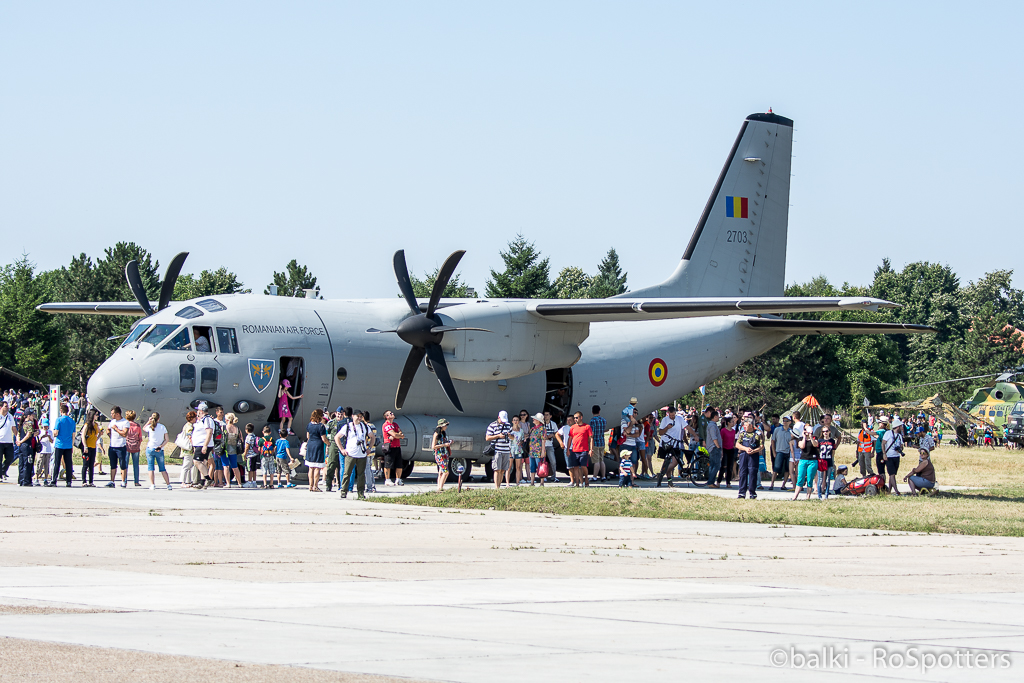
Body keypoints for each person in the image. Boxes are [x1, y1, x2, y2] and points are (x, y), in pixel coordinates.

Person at [338, 411, 372, 499]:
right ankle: (344, 491)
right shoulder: (347, 426)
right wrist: (342, 449)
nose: (359, 418)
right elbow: (337, 437)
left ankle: (360, 492)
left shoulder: (364, 426)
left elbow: (373, 437)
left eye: (361, 416)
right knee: (347, 473)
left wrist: (369, 448)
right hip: (350, 454)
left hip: (362, 454)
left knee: (361, 474)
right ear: (353, 416)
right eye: (358, 416)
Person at [735, 417, 764, 500]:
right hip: (744, 455)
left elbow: (761, 446)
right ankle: (741, 493)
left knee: (752, 474)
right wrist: (745, 449)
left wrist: (754, 451)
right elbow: (737, 444)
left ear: (751, 425)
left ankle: (752, 493)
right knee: (743, 474)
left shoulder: (757, 434)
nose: (745, 427)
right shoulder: (742, 433)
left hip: (753, 456)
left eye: (746, 425)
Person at [143, 412, 172, 490]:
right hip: (159, 449)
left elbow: (144, 428)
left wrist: (148, 421)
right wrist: (161, 446)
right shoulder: (162, 427)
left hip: (150, 448)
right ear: (159, 418)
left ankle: (152, 484)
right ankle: (168, 484)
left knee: (150, 467)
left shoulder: (150, 427)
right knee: (162, 468)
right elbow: (167, 439)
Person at [656, 406, 684, 487]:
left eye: (673, 415)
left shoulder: (679, 419)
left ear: (675, 413)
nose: (671, 417)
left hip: (676, 444)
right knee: (667, 462)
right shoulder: (665, 420)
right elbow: (660, 432)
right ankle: (669, 480)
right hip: (666, 443)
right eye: (670, 415)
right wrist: (667, 427)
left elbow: (686, 427)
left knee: (674, 462)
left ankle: (661, 474)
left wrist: (694, 434)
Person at [190, 403, 216, 489]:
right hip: (199, 444)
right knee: (203, 462)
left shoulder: (207, 420)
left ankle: (208, 478)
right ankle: (202, 482)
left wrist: (205, 445)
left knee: (196, 461)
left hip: (203, 444)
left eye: (198, 410)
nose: (197, 412)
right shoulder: (202, 419)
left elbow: (209, 432)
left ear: (201, 411)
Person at [51, 403, 76, 488]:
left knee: (57, 463)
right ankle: (68, 481)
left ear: (61, 411)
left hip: (59, 444)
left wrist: (54, 433)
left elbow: (56, 432)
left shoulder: (59, 420)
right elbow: (73, 435)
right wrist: (72, 445)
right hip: (68, 445)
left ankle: (54, 481)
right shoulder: (72, 421)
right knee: (68, 463)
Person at [486, 411, 512, 489]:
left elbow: (513, 438)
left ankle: (500, 486)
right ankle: (497, 487)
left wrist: (510, 436)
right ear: (498, 417)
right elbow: (487, 438)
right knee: (497, 469)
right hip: (497, 450)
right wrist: (498, 436)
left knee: (503, 470)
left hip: (506, 450)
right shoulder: (492, 425)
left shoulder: (508, 425)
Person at [568, 411, 594, 488]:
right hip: (574, 450)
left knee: (583, 466)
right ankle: (577, 483)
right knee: (575, 467)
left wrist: (591, 449)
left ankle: (586, 478)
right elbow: (570, 438)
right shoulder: (572, 427)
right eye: (574, 418)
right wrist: (567, 449)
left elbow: (591, 438)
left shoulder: (587, 427)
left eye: (577, 418)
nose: (575, 419)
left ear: (581, 417)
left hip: (584, 450)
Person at [792, 425, 818, 500]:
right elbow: (802, 446)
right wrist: (804, 437)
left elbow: (815, 444)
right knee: (800, 478)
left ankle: (808, 496)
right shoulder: (800, 438)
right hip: (803, 460)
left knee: (810, 479)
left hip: (812, 461)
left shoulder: (814, 438)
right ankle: (795, 496)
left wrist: (810, 437)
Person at [305, 409, 328, 492]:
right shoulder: (321, 426)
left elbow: (308, 436)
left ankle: (310, 486)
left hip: (310, 445)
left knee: (311, 467)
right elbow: (323, 438)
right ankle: (315, 485)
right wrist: (328, 443)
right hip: (318, 446)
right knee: (317, 467)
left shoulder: (309, 425)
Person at [324, 408, 347, 492]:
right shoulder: (331, 423)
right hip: (333, 444)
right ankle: (328, 484)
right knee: (331, 464)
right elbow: (327, 433)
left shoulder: (346, 423)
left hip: (343, 444)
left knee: (342, 466)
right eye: (338, 414)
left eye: (341, 414)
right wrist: (328, 445)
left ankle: (342, 485)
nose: (339, 415)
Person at [106, 406, 129, 488]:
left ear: (117, 414)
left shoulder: (125, 422)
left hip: (121, 446)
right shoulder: (112, 421)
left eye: (113, 414)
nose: (111, 415)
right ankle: (112, 481)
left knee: (122, 464)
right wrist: (110, 435)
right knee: (113, 464)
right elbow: (108, 429)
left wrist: (116, 429)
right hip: (112, 446)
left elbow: (124, 434)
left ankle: (123, 481)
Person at [79, 409, 103, 487]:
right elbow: (83, 436)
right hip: (87, 446)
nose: (97, 416)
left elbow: (99, 433)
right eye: (96, 415)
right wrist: (85, 446)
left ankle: (91, 481)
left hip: (93, 446)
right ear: (93, 415)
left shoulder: (96, 425)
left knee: (91, 464)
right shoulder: (87, 425)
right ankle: (84, 481)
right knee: (85, 464)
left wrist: (98, 437)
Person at [813, 422, 837, 500]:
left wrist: (832, 461)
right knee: (820, 479)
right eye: (823, 431)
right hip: (821, 461)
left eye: (826, 431)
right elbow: (817, 449)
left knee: (827, 479)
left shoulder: (832, 441)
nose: (825, 433)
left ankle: (826, 495)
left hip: (829, 461)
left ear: (829, 431)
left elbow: (833, 452)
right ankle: (819, 495)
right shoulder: (820, 441)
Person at [882, 417, 905, 495]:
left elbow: (902, 445)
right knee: (892, 474)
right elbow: (883, 443)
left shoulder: (899, 436)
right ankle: (896, 491)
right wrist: (884, 453)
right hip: (889, 456)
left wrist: (900, 448)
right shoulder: (888, 433)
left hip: (896, 456)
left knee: (892, 474)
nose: (902, 428)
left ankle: (889, 491)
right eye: (901, 426)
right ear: (897, 427)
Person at [382, 410, 405, 486]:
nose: (393, 414)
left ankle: (398, 479)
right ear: (387, 417)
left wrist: (397, 435)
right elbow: (394, 434)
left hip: (397, 446)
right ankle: (387, 479)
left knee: (399, 464)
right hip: (390, 446)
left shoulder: (395, 424)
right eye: (390, 414)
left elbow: (401, 434)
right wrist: (397, 435)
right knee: (388, 464)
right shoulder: (386, 425)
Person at [769, 415, 792, 491]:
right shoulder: (777, 430)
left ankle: (783, 484)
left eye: (786, 421)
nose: (785, 422)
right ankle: (772, 484)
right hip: (779, 451)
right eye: (784, 420)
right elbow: (773, 441)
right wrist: (774, 452)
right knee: (776, 469)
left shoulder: (791, 432)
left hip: (788, 452)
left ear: (790, 422)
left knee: (787, 469)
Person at [222, 413, 244, 488]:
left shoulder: (224, 427)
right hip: (234, 449)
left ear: (227, 420)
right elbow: (241, 439)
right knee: (235, 466)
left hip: (225, 449)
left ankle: (228, 483)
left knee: (226, 466)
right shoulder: (237, 428)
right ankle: (239, 483)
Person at [431, 418, 452, 493]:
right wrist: (444, 445)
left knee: (441, 472)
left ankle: (439, 487)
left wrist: (448, 443)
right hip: (440, 455)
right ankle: (440, 488)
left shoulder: (443, 433)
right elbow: (433, 446)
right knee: (446, 472)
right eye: (445, 425)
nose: (446, 427)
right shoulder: (436, 434)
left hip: (445, 454)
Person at [704, 410, 723, 488]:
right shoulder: (712, 426)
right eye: (718, 416)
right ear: (715, 416)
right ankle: (710, 482)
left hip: (714, 447)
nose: (719, 418)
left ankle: (711, 481)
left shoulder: (713, 425)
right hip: (714, 447)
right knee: (716, 465)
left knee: (713, 465)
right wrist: (718, 446)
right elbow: (714, 437)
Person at [124, 410, 143, 487]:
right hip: (136, 446)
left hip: (126, 446)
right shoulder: (137, 426)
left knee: (125, 465)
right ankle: (136, 481)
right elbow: (140, 437)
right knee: (135, 465)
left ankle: (124, 481)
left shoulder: (125, 425)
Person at [717, 415, 737, 488]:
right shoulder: (723, 430)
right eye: (732, 422)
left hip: (731, 449)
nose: (733, 423)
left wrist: (734, 446)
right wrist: (721, 450)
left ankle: (728, 482)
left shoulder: (733, 431)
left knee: (730, 466)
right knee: (724, 466)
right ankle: (719, 481)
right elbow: (721, 440)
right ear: (728, 423)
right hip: (725, 449)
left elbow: (733, 440)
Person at [178, 411, 197, 487]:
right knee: (186, 466)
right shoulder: (190, 426)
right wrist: (193, 446)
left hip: (186, 449)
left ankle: (188, 481)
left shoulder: (186, 425)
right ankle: (182, 481)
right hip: (188, 449)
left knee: (189, 466)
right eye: (195, 417)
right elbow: (190, 437)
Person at [17, 413, 36, 486]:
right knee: (27, 463)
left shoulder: (22, 423)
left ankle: (21, 480)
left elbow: (18, 434)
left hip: (21, 446)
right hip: (27, 445)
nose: (33, 416)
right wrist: (21, 441)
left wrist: (19, 442)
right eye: (32, 415)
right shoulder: (29, 424)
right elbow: (29, 434)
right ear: (28, 416)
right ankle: (26, 480)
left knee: (21, 463)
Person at [589, 405, 607, 482]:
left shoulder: (592, 421)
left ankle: (595, 476)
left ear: (592, 412)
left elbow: (592, 433)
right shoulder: (603, 420)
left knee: (596, 461)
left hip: (595, 442)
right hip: (602, 442)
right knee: (601, 460)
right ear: (599, 411)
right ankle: (603, 476)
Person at [508, 414, 527, 486]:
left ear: (519, 421)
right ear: (512, 421)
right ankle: (508, 482)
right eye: (514, 420)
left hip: (518, 449)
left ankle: (517, 482)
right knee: (509, 467)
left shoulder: (521, 430)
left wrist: (521, 442)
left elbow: (522, 439)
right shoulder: (510, 430)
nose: (516, 421)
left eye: (517, 420)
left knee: (518, 467)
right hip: (511, 449)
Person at [528, 413, 546, 486]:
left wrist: (543, 452)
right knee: (532, 467)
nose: (533, 419)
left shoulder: (542, 429)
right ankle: (532, 482)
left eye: (535, 419)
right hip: (532, 451)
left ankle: (541, 482)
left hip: (539, 450)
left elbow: (543, 441)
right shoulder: (533, 429)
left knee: (540, 466)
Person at [0, 401, 15, 481]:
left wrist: (17, 437)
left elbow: (14, 428)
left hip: (9, 441)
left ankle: (3, 471)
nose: (7, 408)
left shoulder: (10, 416)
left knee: (10, 458)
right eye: (6, 406)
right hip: (0, 441)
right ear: (1, 407)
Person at [35, 417, 53, 485]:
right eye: (44, 426)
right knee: (39, 464)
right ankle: (36, 478)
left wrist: (48, 436)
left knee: (46, 465)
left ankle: (46, 479)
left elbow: (52, 441)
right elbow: (37, 441)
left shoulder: (50, 432)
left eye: (47, 426)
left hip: (48, 451)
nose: (46, 427)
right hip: (41, 451)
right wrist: (41, 437)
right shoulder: (39, 432)